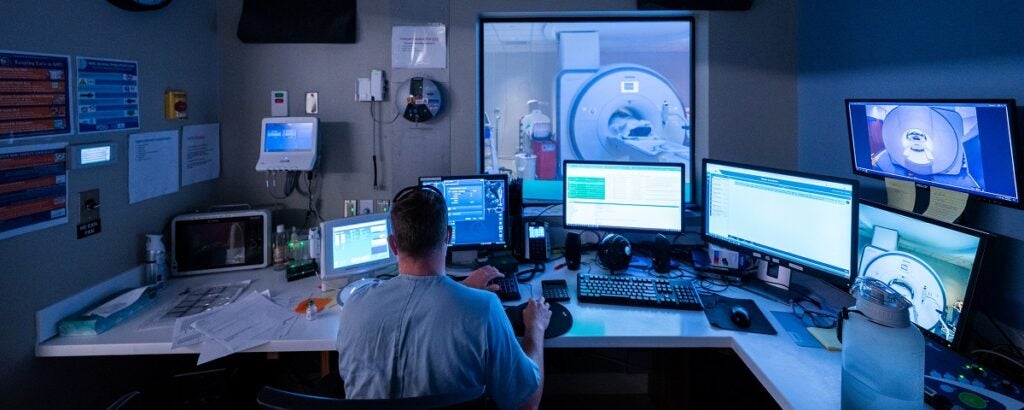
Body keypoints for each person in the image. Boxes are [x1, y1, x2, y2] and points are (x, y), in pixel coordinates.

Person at [336, 185, 552, 410]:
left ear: (393, 245)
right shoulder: (485, 309)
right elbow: (527, 404)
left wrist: (461, 289)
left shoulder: (355, 305)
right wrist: (535, 327)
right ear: (448, 235)